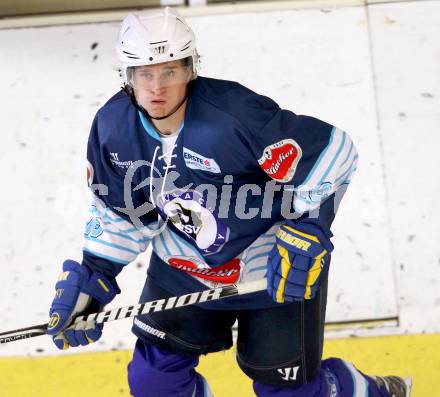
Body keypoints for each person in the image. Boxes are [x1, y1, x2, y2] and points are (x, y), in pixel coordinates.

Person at [46, 7, 411, 397]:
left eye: (169, 71)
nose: (156, 87)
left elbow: (331, 155)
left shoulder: (235, 115)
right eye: (144, 73)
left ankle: (364, 389)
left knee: (288, 393)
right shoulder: (112, 128)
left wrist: (309, 227)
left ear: (190, 69)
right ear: (127, 76)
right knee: (155, 384)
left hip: (273, 268)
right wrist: (96, 272)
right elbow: (121, 212)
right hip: (182, 267)